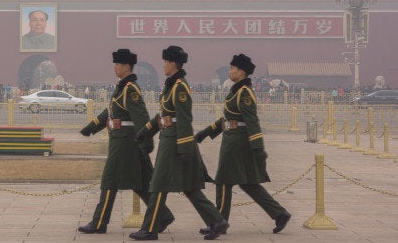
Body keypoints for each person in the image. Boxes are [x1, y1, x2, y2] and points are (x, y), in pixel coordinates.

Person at [129, 46, 228, 241]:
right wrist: (145, 133)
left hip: (175, 142)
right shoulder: (171, 86)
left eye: (165, 62)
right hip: (169, 138)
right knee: (189, 187)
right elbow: (163, 116)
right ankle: (217, 221)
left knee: (158, 184)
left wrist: (184, 148)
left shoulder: (180, 86)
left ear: (173, 63)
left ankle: (150, 229)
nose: (163, 65)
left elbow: (184, 119)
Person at [77, 49, 175, 235]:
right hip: (123, 142)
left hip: (126, 143)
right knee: (140, 183)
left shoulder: (131, 89)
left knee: (109, 180)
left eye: (117, 65)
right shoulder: (122, 87)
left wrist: (146, 143)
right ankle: (163, 215)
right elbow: (112, 112)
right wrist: (91, 127)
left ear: (126, 67)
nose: (115, 68)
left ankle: (99, 223)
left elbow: (141, 117)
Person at [194, 54, 291, 236]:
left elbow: (252, 121)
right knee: (248, 184)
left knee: (223, 181)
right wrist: (205, 133)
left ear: (242, 72)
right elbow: (228, 120)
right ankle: (280, 214)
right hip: (234, 140)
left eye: (233, 68)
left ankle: (219, 222)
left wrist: (258, 148)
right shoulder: (236, 91)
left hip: (238, 144)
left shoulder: (244, 93)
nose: (230, 71)